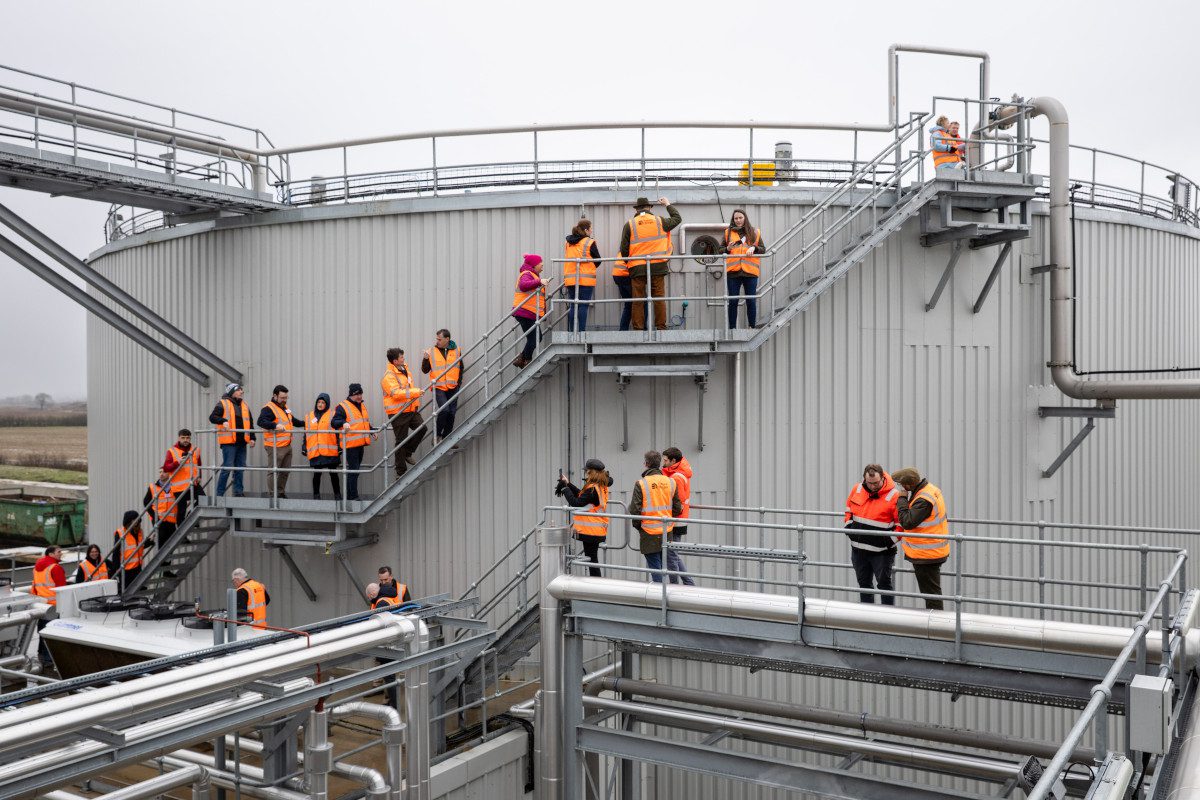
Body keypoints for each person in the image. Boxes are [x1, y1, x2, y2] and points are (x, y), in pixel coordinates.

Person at [619, 196, 682, 331]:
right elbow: (677, 218)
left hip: (637, 267)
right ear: (649, 208)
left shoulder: (630, 224)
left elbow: (624, 248)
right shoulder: (660, 221)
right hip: (658, 266)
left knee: (638, 299)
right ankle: (661, 328)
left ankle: (638, 329)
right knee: (659, 298)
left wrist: (628, 263)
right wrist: (667, 204)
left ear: (637, 209)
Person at [891, 467, 950, 611]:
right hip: (932, 549)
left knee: (931, 594)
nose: (899, 487)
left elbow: (907, 522)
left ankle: (936, 624)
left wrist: (902, 498)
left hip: (927, 554)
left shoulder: (923, 500)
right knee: (931, 592)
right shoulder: (929, 490)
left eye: (900, 484)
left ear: (908, 485)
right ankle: (936, 621)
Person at [844, 464, 900, 605]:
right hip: (858, 550)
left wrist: (888, 542)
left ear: (883, 478)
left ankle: (887, 620)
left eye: (876, 483)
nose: (873, 486)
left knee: (884, 585)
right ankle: (866, 617)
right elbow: (848, 510)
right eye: (869, 483)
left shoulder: (894, 495)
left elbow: (901, 525)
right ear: (864, 478)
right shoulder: (857, 489)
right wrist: (848, 527)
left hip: (881, 553)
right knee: (864, 585)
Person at [628, 450, 682, 583]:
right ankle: (668, 595)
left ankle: (659, 597)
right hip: (666, 531)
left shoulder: (641, 483)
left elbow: (635, 510)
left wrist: (639, 526)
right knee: (664, 566)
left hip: (648, 531)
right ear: (659, 464)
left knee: (655, 569)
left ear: (646, 463)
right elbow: (677, 508)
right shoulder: (671, 482)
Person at [556, 458, 614, 578]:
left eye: (587, 471)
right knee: (592, 559)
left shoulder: (593, 489)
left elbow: (576, 502)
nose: (585, 473)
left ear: (591, 472)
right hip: (595, 530)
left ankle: (596, 586)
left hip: (591, 531)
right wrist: (568, 484)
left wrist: (564, 488)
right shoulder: (599, 486)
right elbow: (581, 495)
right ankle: (595, 586)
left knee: (592, 561)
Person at [382, 349, 426, 477]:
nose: (403, 359)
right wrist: (416, 392)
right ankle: (400, 472)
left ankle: (408, 452)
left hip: (410, 409)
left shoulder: (404, 369)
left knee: (422, 428)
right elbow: (396, 394)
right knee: (401, 440)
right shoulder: (389, 376)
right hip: (398, 412)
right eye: (401, 357)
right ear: (395, 361)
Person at [723, 209, 768, 329]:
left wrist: (754, 248)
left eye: (740, 218)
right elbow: (720, 250)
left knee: (751, 301)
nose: (738, 220)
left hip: (750, 272)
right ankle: (732, 328)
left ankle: (751, 326)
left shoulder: (754, 232)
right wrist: (727, 248)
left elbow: (763, 249)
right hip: (733, 272)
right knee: (733, 301)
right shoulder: (728, 233)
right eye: (736, 218)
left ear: (745, 218)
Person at [209, 383, 256, 497]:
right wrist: (223, 420)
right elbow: (212, 417)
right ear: (232, 391)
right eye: (239, 390)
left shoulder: (244, 405)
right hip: (229, 443)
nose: (241, 392)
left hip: (242, 442)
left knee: (240, 468)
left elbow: (250, 423)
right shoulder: (223, 403)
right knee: (227, 468)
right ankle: (219, 494)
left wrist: (252, 437)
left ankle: (238, 492)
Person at [258, 385, 304, 499]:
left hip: (287, 446)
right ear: (275, 396)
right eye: (282, 397)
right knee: (273, 471)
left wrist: (306, 423)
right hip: (275, 446)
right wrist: (275, 425)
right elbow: (261, 421)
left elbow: (293, 421)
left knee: (285, 471)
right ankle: (273, 495)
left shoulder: (284, 408)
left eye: (286, 397)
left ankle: (280, 492)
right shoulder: (268, 408)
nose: (284, 400)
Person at [331, 383, 375, 501]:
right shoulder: (342, 406)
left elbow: (363, 422)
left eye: (360, 393)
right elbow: (334, 422)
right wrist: (342, 423)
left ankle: (351, 495)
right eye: (357, 394)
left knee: (354, 470)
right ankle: (353, 496)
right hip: (350, 445)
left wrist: (372, 430)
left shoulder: (361, 405)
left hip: (360, 443)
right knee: (353, 470)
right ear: (351, 394)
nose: (359, 396)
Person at [422, 330, 464, 444]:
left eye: (439, 339)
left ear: (447, 339)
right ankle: (437, 435)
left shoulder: (457, 350)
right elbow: (425, 370)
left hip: (453, 386)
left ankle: (447, 437)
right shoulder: (431, 351)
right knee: (444, 410)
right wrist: (425, 358)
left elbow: (461, 368)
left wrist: (458, 383)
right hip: (439, 387)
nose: (437, 341)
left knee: (452, 412)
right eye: (437, 339)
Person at [661, 447, 695, 586]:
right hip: (677, 519)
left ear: (673, 461)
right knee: (672, 554)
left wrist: (668, 516)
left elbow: (678, 503)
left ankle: (674, 586)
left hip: (676, 520)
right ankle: (688, 582)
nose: (663, 463)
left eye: (665, 460)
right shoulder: (677, 473)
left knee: (671, 555)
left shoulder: (677, 477)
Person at [563, 219, 602, 333]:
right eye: (590, 228)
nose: (591, 230)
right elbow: (598, 260)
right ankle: (581, 332)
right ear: (586, 230)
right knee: (583, 306)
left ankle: (572, 332)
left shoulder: (568, 242)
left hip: (570, 279)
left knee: (573, 306)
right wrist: (590, 267)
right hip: (585, 280)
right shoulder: (589, 242)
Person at [511, 253, 549, 369]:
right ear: (534, 265)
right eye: (540, 262)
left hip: (528, 313)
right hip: (525, 312)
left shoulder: (533, 275)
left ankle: (522, 359)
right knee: (535, 338)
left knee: (535, 338)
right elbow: (523, 286)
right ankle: (526, 360)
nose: (542, 264)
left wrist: (543, 313)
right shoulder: (527, 274)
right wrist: (540, 281)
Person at [31, 545, 66, 667]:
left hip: (41, 604)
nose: (61, 553)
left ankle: (41, 655)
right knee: (51, 633)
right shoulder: (55, 568)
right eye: (59, 552)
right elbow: (62, 589)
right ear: (51, 554)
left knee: (42, 631)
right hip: (54, 605)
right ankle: (48, 660)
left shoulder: (36, 568)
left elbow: (34, 586)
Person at [304, 393, 341, 499]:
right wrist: (304, 446)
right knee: (317, 474)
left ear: (327, 404)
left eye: (323, 402)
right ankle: (316, 496)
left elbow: (338, 432)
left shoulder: (333, 415)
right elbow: (306, 433)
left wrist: (340, 447)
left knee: (333, 474)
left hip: (331, 450)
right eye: (318, 402)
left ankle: (337, 495)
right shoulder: (309, 416)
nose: (320, 404)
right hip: (316, 450)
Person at [163, 428, 203, 518]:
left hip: (193, 484)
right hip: (179, 488)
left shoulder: (195, 450)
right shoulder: (172, 451)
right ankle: (180, 530)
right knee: (181, 512)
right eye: (183, 438)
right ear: (179, 438)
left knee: (203, 500)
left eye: (187, 438)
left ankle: (191, 516)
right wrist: (177, 462)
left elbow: (199, 464)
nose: (185, 440)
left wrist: (200, 476)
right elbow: (166, 468)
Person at [144, 468, 180, 543]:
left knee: (170, 543)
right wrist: (154, 516)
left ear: (169, 473)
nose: (161, 474)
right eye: (160, 472)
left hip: (171, 520)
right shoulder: (153, 487)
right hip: (159, 520)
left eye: (164, 472)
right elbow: (146, 502)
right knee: (161, 542)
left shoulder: (175, 486)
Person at [113, 510, 146, 590]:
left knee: (138, 591)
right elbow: (116, 553)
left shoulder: (139, 532)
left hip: (137, 567)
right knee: (127, 592)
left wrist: (149, 542)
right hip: (126, 570)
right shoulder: (121, 533)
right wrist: (117, 571)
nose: (136, 521)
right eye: (134, 519)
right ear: (128, 521)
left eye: (137, 519)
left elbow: (139, 547)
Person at [612, 258, 633, 332]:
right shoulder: (636, 246)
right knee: (642, 302)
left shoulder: (624, 247)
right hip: (625, 274)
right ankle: (643, 328)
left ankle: (623, 329)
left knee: (628, 305)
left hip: (618, 274)